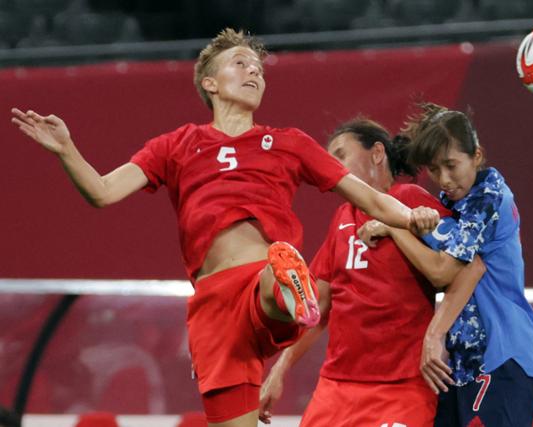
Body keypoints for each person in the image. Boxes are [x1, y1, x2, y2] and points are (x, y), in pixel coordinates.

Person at [10, 29, 440, 427]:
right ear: (210, 84)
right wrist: (66, 150)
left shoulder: (289, 143)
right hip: (212, 308)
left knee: (275, 274)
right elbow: (102, 191)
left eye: (257, 67)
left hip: (259, 279)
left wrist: (411, 216)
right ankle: (289, 291)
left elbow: (367, 196)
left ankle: (287, 289)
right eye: (240, 63)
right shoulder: (175, 145)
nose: (253, 70)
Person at [259, 118, 486, 426]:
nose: (330, 165)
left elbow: (467, 268)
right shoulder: (342, 216)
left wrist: (436, 335)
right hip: (336, 388)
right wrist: (279, 370)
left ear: (377, 153)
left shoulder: (411, 202)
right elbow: (317, 306)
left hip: (402, 389)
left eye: (340, 154)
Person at [359, 102, 533, 426]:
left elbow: (445, 270)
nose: (444, 179)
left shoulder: (489, 196)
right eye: (434, 170)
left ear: (476, 155)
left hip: (504, 357)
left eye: (451, 165)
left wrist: (394, 225)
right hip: (460, 365)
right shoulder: (449, 204)